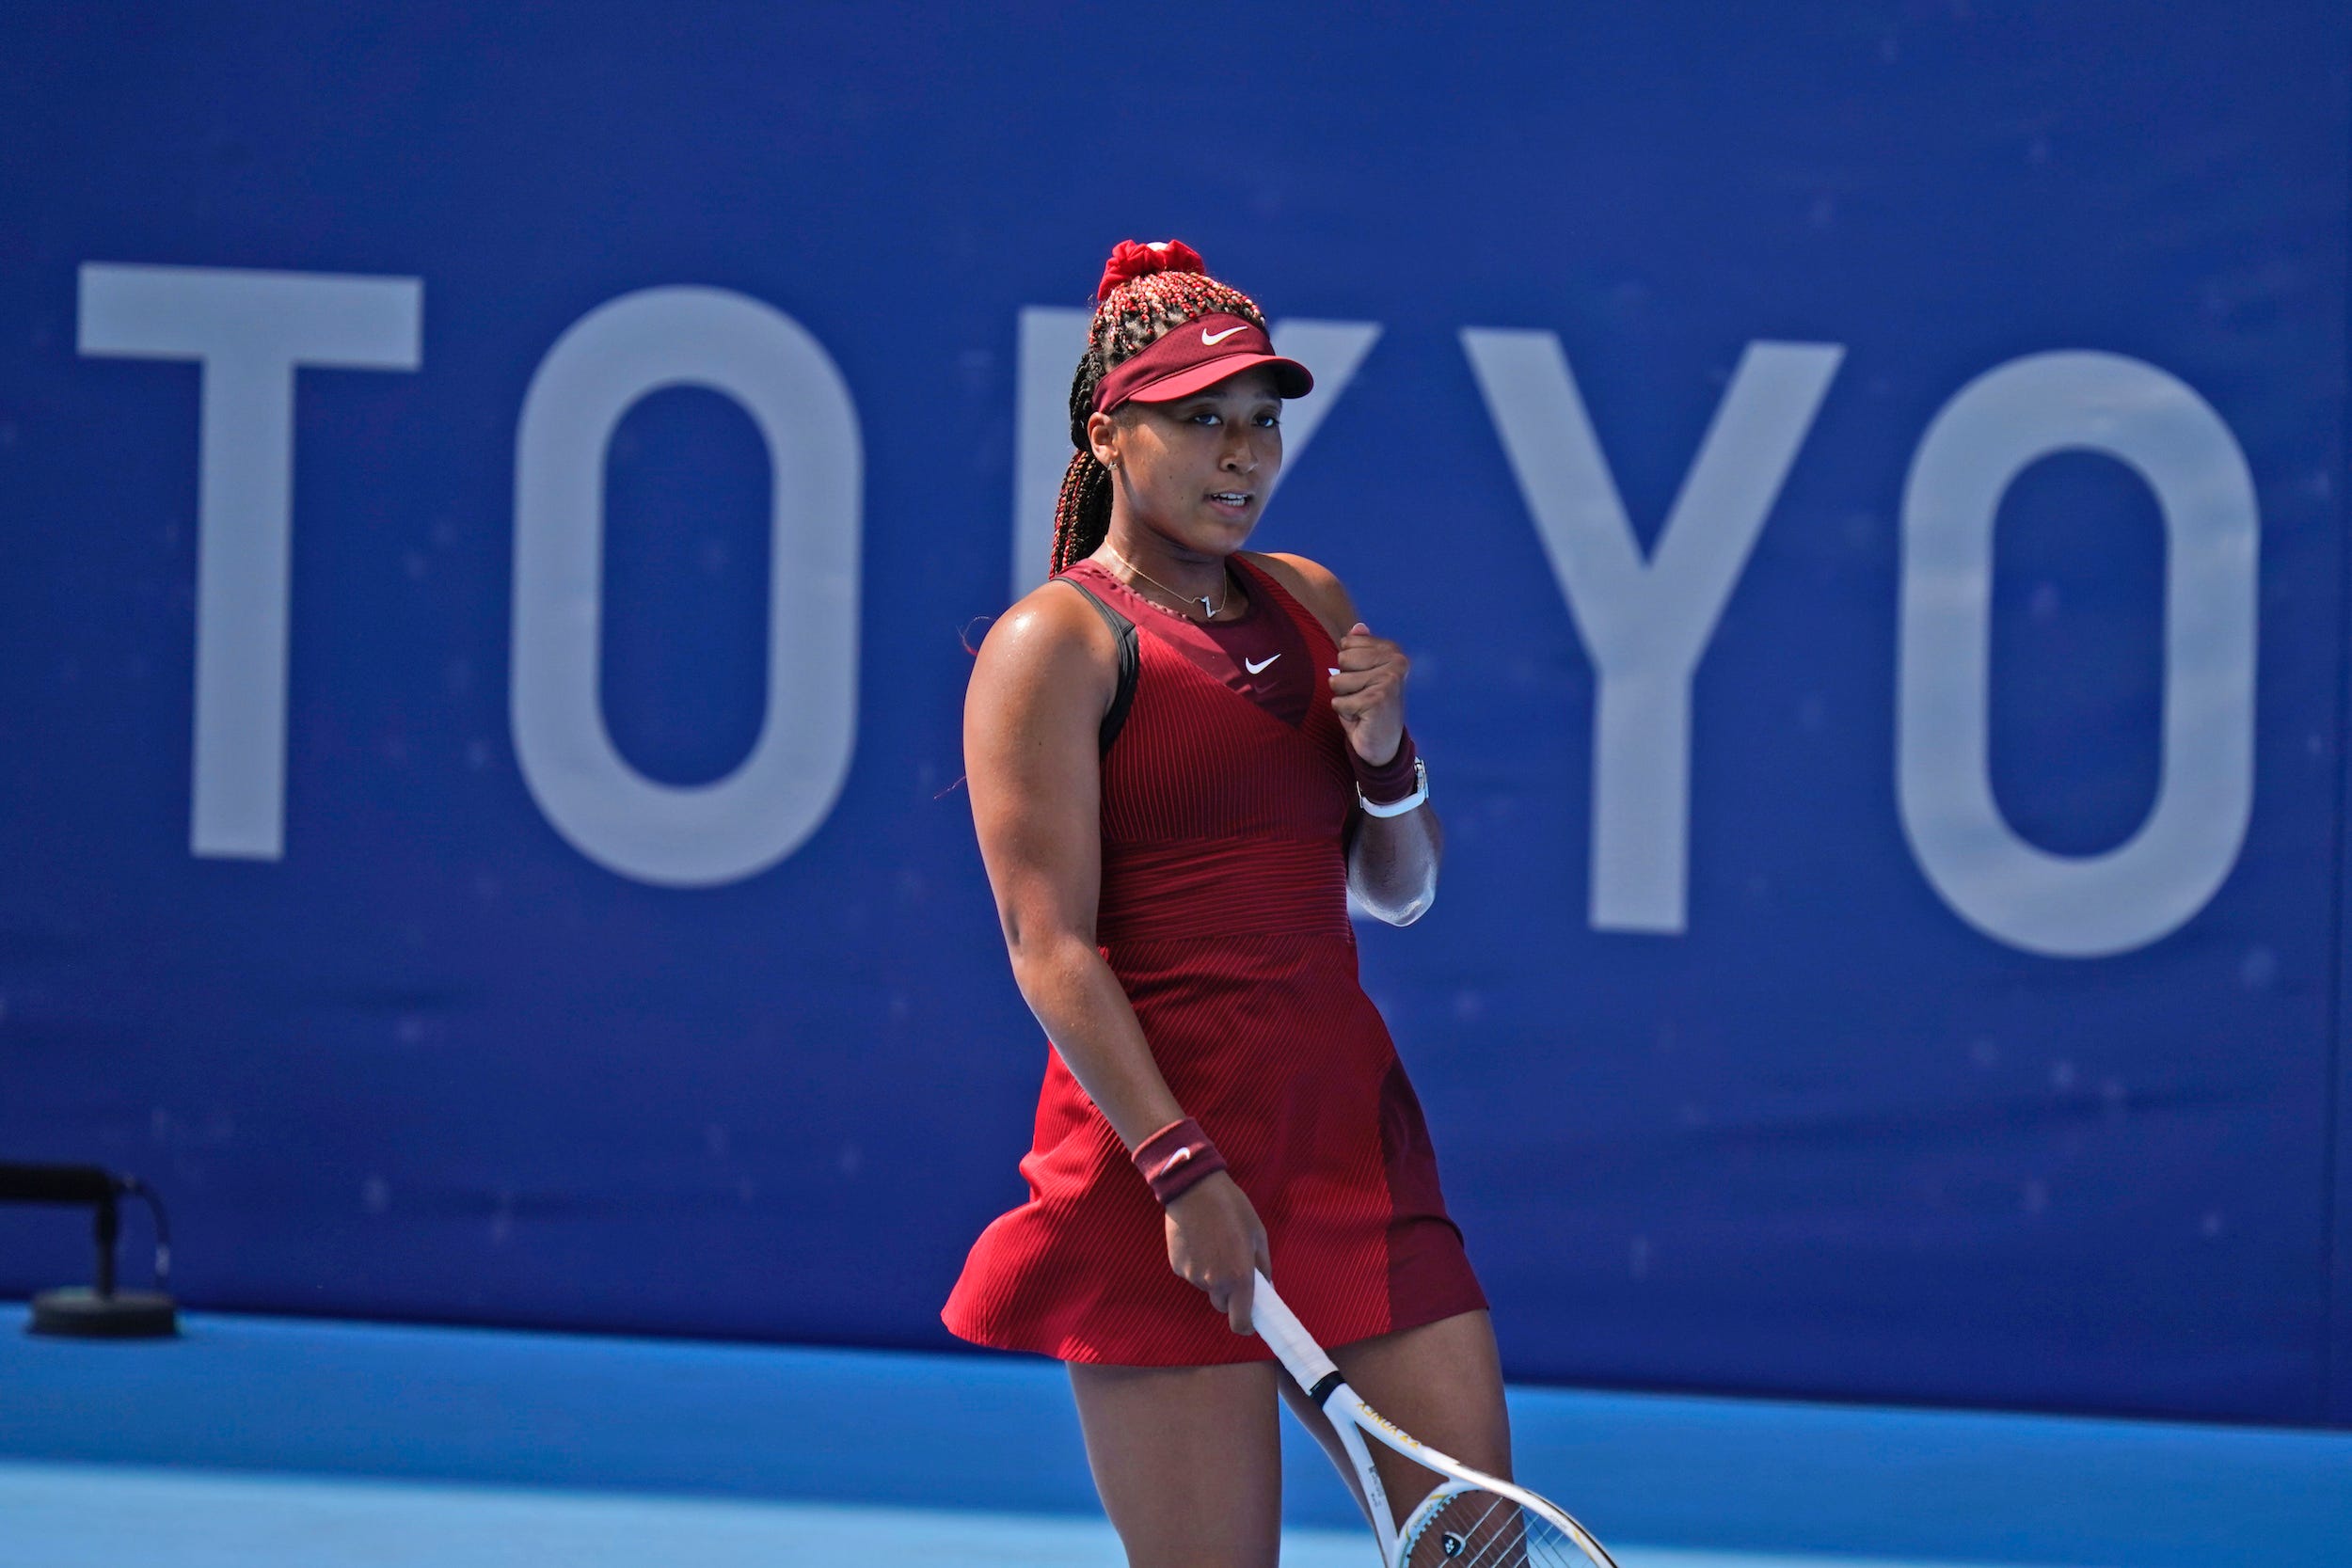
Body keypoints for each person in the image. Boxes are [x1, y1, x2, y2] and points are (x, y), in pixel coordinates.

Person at [944, 239, 1509, 1567]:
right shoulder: (1056, 648)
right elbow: (1050, 949)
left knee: (1482, 1559)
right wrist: (1183, 1172)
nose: (1244, 455)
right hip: (1162, 1173)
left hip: (1347, 1150)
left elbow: (1403, 892)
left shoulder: (1311, 602)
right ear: (1110, 434)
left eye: (1261, 422)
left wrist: (1387, 764)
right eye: (1202, 422)